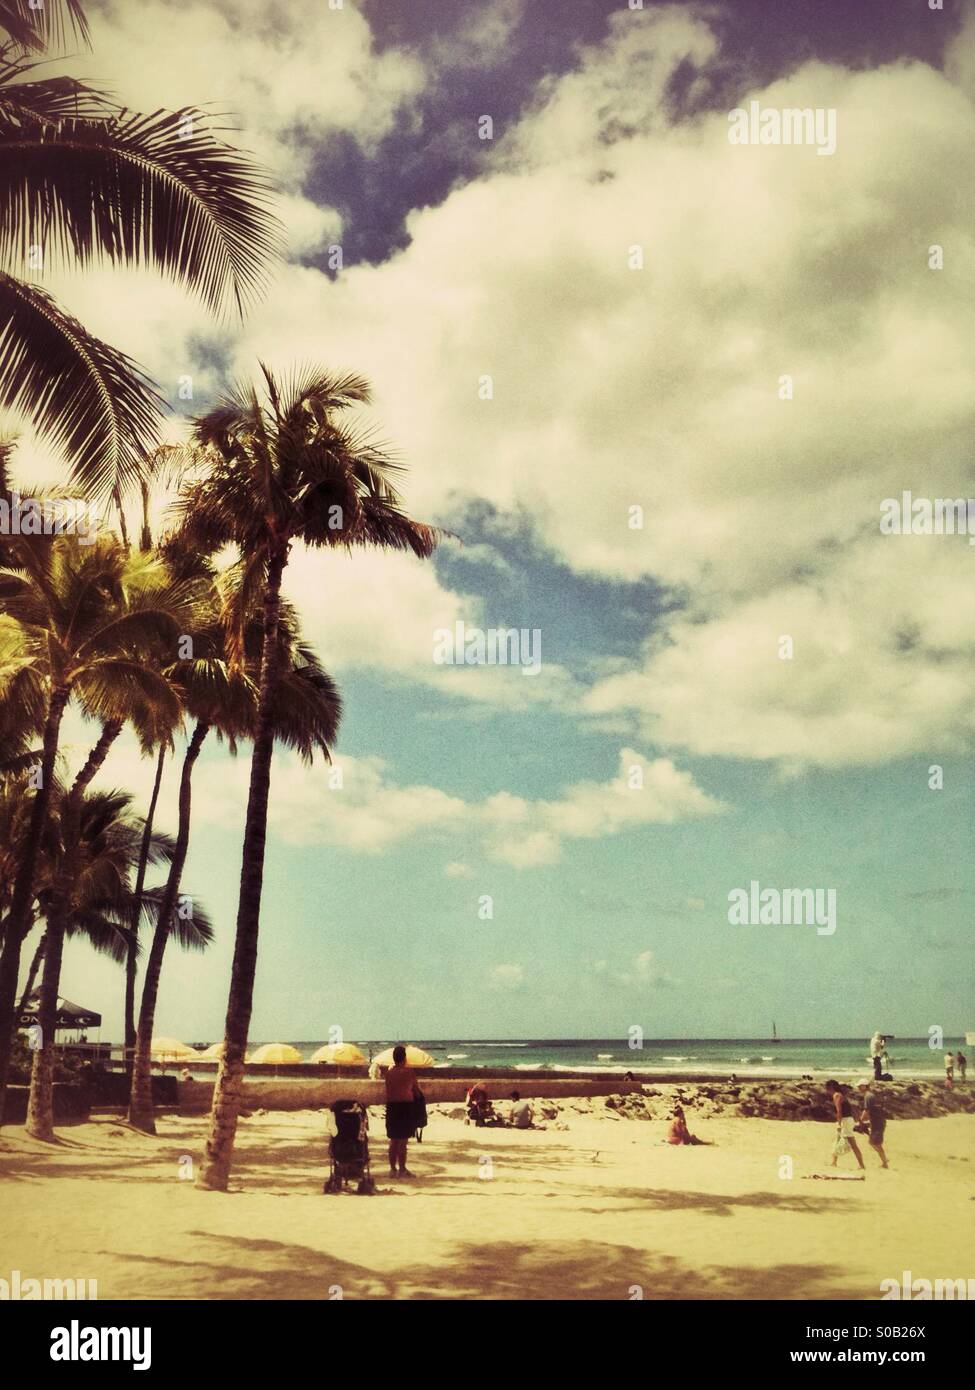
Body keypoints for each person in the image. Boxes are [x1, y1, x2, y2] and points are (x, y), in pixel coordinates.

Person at [384, 1044, 419, 1177]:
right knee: (403, 1141)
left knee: (393, 1140)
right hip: (405, 1107)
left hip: (392, 1107)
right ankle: (402, 1169)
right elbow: (415, 1090)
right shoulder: (409, 1073)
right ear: (404, 1058)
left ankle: (393, 1169)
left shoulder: (388, 1073)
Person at [826, 1080, 865, 1171]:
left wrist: (839, 1124)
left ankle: (862, 1165)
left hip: (845, 1121)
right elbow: (852, 1109)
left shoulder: (836, 1095)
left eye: (827, 1088)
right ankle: (834, 1162)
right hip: (848, 1120)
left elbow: (839, 1111)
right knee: (837, 1139)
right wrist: (859, 1120)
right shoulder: (840, 1095)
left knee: (853, 1144)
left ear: (830, 1088)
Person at [855, 1083, 889, 1168]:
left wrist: (860, 1121)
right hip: (876, 1121)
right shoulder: (871, 1095)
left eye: (860, 1086)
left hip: (877, 1122)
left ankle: (885, 1162)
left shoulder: (868, 1096)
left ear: (864, 1086)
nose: (858, 1088)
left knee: (875, 1143)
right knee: (873, 1142)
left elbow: (866, 1110)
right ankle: (884, 1160)